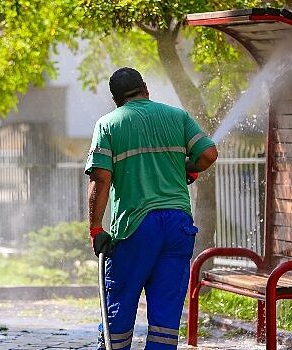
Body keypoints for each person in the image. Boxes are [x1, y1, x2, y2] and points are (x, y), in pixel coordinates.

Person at [85, 67, 218, 350]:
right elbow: (208, 154)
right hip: (178, 226)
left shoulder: (108, 125)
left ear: (116, 99)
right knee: (165, 321)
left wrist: (96, 228)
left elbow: (101, 179)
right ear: (145, 87)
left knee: (119, 308)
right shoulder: (176, 116)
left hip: (136, 226)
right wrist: (188, 171)